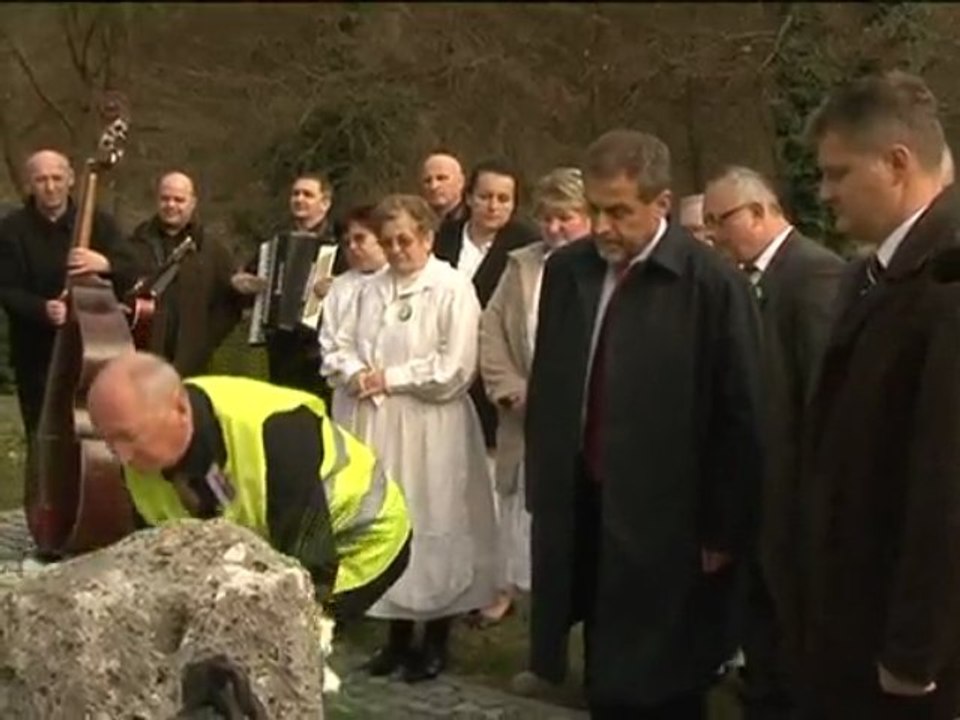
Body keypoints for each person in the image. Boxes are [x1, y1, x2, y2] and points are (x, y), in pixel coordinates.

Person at [525, 129, 765, 719]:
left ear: (662, 205)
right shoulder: (569, 272)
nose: (603, 226)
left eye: (619, 212)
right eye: (594, 211)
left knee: (663, 680)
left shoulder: (711, 284)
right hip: (582, 500)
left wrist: (723, 528)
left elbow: (742, 413)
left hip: (671, 519)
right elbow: (554, 380)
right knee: (601, 668)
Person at [799, 70, 960, 720]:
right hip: (852, 618)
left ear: (896, 164)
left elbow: (946, 484)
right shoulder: (878, 271)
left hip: (910, 662)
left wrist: (913, 651)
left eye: (838, 174)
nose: (824, 194)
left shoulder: (946, 280)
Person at [86, 350, 412, 624]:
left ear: (180, 410)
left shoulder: (279, 434)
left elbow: (310, 573)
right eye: (108, 439)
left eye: (129, 437)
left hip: (359, 540)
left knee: (280, 643)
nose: (121, 455)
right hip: (268, 542)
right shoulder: (139, 439)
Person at [323, 194, 497, 683]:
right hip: (377, 422)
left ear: (427, 237)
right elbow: (337, 342)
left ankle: (436, 638)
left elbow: (456, 365)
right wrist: (356, 372)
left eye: (406, 240)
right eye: (388, 241)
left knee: (433, 519)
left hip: (430, 424)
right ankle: (395, 638)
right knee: (388, 520)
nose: (397, 250)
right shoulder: (367, 289)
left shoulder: (451, 288)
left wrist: (393, 377)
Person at [703, 165, 845, 719]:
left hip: (793, 497)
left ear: (760, 212)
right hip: (756, 493)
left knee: (790, 640)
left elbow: (819, 392)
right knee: (760, 633)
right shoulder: (747, 278)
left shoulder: (813, 275)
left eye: (722, 220)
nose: (713, 233)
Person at [477, 167, 592, 629]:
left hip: (583, 422)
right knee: (524, 518)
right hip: (524, 415)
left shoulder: (603, 267)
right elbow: (492, 331)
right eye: (547, 218)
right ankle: (534, 618)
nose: (555, 228)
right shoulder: (521, 264)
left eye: (566, 217)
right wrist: (510, 390)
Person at [0, 149, 130, 445]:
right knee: (41, 436)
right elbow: (6, 289)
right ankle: (40, 492)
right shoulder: (11, 230)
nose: (50, 186)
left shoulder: (100, 223)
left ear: (71, 179)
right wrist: (43, 309)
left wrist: (105, 263)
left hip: (92, 350)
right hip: (36, 355)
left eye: (57, 178)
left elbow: (134, 268)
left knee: (93, 436)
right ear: (29, 185)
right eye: (41, 179)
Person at [434, 159, 541, 453]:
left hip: (490, 370)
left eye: (503, 199)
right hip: (439, 360)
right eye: (485, 197)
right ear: (469, 198)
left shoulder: (526, 246)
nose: (493, 206)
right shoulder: (443, 237)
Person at [232, 171, 346, 403]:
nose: (299, 199)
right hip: (281, 341)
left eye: (308, 194)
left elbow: (358, 284)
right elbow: (249, 278)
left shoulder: (340, 243)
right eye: (295, 194)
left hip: (321, 345)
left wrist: (339, 286)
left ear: (325, 203)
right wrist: (243, 283)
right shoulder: (275, 242)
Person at [120, 171, 246, 376]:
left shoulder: (213, 251)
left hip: (191, 366)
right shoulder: (133, 245)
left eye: (179, 200)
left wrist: (205, 342)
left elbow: (230, 305)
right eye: (165, 199)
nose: (171, 205)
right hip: (141, 360)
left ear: (192, 202)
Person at [319, 203, 388, 424]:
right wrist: (352, 372)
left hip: (391, 397)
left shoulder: (397, 280)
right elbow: (329, 343)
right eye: (347, 243)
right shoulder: (339, 287)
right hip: (349, 396)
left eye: (360, 239)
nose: (353, 247)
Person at [420, 151, 467, 223]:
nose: (433, 186)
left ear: (460, 181)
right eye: (427, 181)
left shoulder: (475, 221)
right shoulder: (417, 222)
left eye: (441, 178)